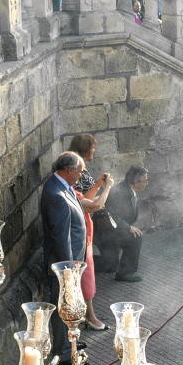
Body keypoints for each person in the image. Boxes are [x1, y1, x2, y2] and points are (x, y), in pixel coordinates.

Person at [42, 152, 89, 360]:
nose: (80, 176)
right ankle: (62, 352)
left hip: (71, 261)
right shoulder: (56, 194)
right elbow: (62, 237)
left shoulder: (60, 186)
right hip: (64, 264)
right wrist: (68, 270)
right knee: (63, 305)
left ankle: (70, 341)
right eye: (79, 171)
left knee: (69, 304)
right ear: (69, 170)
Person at [67, 134, 113, 328]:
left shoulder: (80, 171)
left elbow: (83, 197)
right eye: (92, 147)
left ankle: (87, 314)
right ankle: (89, 317)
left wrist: (97, 185)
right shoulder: (78, 173)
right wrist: (106, 188)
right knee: (86, 272)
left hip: (85, 226)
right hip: (80, 227)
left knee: (87, 270)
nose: (94, 151)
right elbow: (89, 205)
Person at [97, 166, 147, 283]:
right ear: (136, 182)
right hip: (105, 232)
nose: (146, 184)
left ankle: (123, 270)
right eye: (145, 181)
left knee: (111, 265)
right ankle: (125, 273)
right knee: (135, 237)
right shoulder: (121, 193)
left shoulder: (129, 189)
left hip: (113, 231)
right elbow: (112, 216)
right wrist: (128, 228)